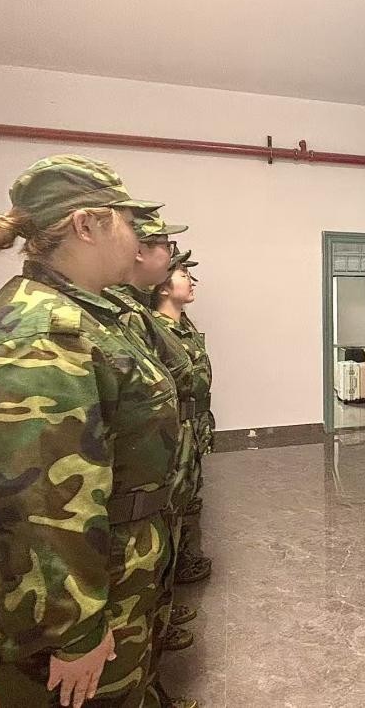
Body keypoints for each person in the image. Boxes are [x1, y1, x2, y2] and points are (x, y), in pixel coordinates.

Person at [0, 155, 195, 707]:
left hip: (113, 565)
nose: (136, 237)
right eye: (126, 221)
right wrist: (74, 631)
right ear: (87, 225)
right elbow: (39, 501)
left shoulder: (88, 312)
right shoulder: (42, 336)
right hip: (70, 598)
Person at [102, 213, 208, 662]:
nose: (172, 259)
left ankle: (159, 621)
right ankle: (151, 633)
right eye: (165, 248)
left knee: (172, 529)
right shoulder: (120, 316)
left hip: (172, 448)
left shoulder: (132, 315)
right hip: (136, 476)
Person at [152, 247, 215, 587]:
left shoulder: (183, 325)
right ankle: (168, 575)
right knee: (171, 505)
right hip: (174, 430)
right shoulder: (156, 329)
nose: (192, 281)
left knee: (187, 499)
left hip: (192, 426)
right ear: (163, 286)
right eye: (184, 275)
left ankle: (181, 562)